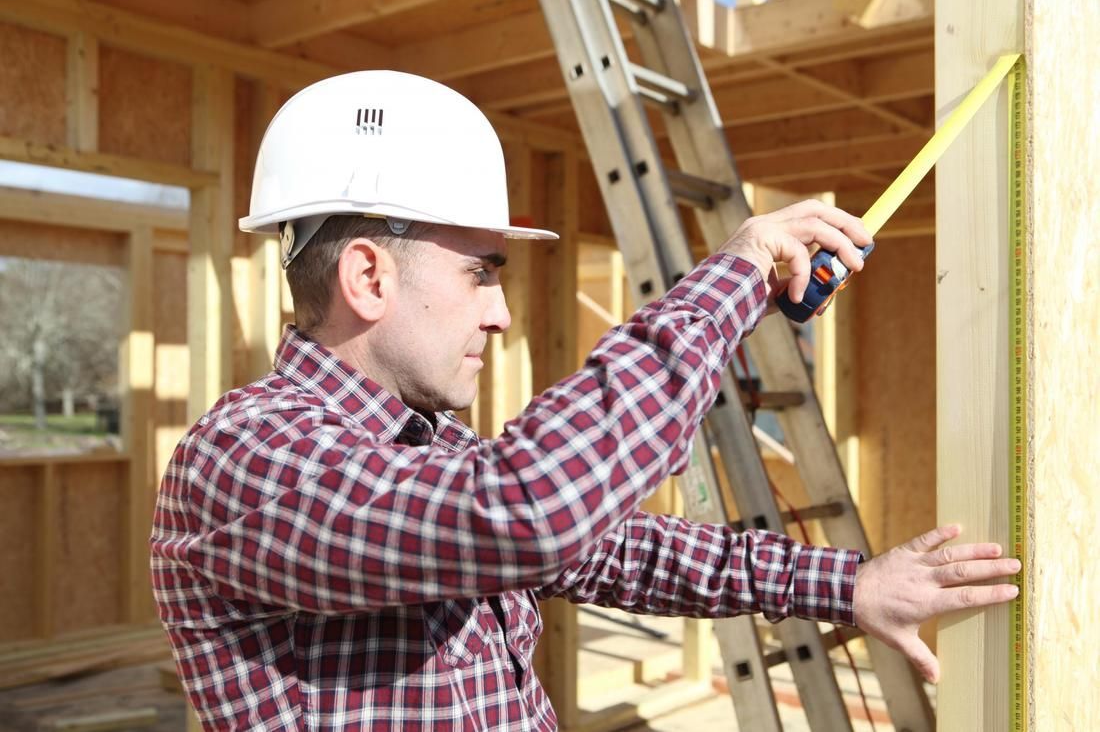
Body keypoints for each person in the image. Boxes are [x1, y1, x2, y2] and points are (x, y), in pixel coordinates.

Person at [151, 71, 1020, 731]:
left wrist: (852, 585)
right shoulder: (244, 460)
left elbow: (618, 551)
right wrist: (736, 275)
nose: (499, 313)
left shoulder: (427, 457)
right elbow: (532, 509)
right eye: (480, 272)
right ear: (368, 274)